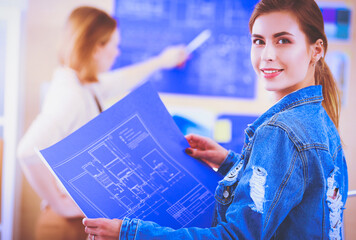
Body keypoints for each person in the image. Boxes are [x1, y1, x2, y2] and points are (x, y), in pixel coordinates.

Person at [82, 0, 349, 239]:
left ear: (316, 50)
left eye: (283, 40)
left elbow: (236, 236)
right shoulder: (318, 118)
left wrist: (129, 233)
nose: (267, 54)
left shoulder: (280, 131)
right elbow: (290, 191)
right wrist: (228, 162)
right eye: (258, 41)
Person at [17, 6, 188, 240]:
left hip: (79, 223)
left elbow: (120, 80)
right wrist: (61, 205)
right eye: (114, 46)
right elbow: (27, 151)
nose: (117, 53)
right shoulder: (72, 97)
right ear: (97, 47)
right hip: (65, 226)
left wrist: (161, 61)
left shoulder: (83, 86)